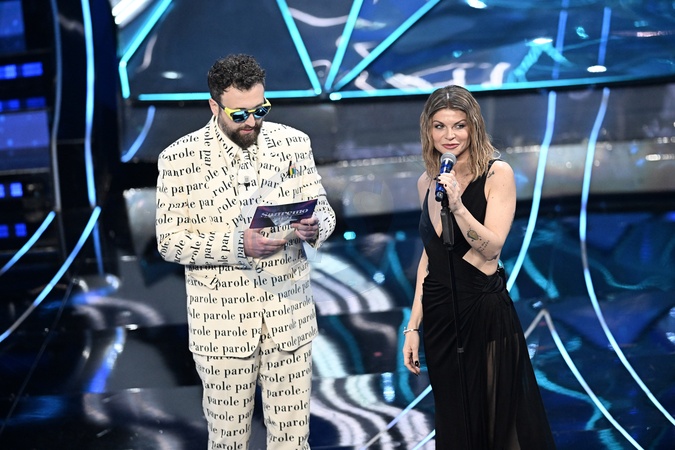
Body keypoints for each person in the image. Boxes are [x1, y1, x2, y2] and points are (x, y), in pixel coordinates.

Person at [155, 54, 336, 449]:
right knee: (229, 441)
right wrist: (239, 244)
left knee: (293, 441)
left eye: (261, 110)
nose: (252, 121)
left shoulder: (293, 143)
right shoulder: (179, 158)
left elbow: (323, 209)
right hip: (223, 327)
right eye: (240, 114)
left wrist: (316, 226)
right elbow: (170, 241)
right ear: (214, 106)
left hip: (289, 317)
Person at [401, 85, 556, 449]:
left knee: (498, 422)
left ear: (474, 127)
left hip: (483, 312)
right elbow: (430, 257)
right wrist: (413, 326)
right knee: (455, 421)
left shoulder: (497, 173)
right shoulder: (426, 182)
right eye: (440, 126)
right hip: (440, 317)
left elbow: (492, 247)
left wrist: (457, 206)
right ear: (428, 130)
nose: (450, 135)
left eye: (459, 125)